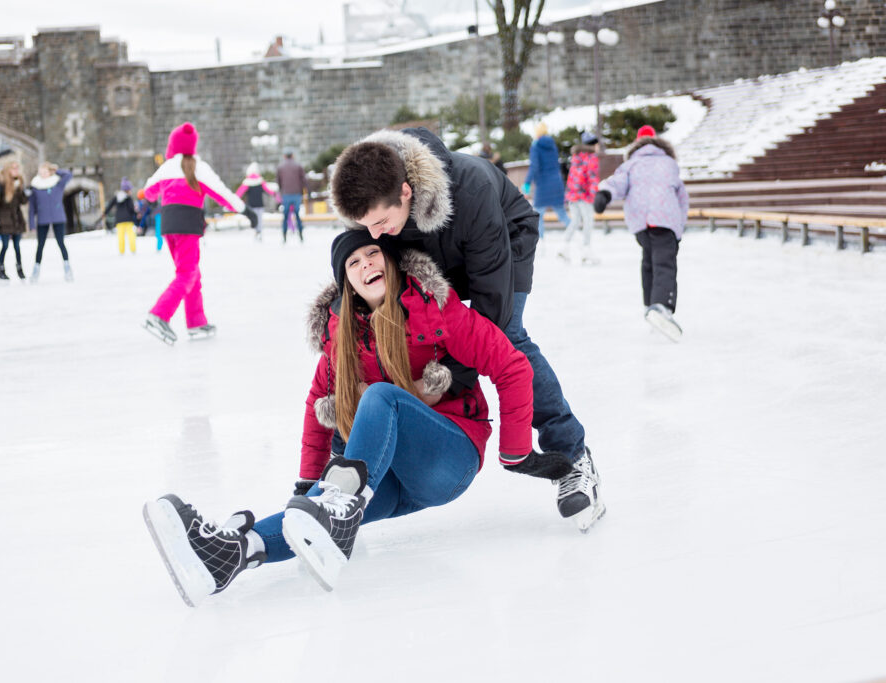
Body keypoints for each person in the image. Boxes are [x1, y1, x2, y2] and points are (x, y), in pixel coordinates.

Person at [142, 231, 534, 604]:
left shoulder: (434, 309)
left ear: (391, 263)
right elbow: (316, 410)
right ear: (347, 282)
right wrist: (308, 490)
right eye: (354, 262)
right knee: (311, 512)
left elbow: (512, 367)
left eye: (373, 255)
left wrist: (515, 451)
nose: (366, 265)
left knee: (382, 400)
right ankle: (229, 555)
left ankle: (338, 513)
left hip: (450, 458)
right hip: (389, 478)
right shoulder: (341, 339)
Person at [329, 127, 605, 532]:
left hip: (502, 241)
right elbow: (362, 265)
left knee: (507, 337)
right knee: (386, 324)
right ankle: (347, 467)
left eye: (380, 223)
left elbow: (490, 313)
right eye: (364, 225)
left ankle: (573, 454)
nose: (373, 235)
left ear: (405, 191)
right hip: (433, 254)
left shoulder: (471, 190)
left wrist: (453, 377)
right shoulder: (375, 197)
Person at [141, 122, 248, 344]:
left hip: (169, 226)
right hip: (188, 225)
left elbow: (149, 192)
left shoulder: (167, 167)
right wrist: (245, 210)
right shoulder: (199, 167)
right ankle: (159, 314)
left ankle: (196, 322)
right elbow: (222, 194)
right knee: (187, 274)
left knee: (191, 273)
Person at [594, 125, 689, 342]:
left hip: (641, 223)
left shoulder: (631, 164)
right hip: (665, 220)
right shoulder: (669, 163)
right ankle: (661, 306)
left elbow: (616, 182)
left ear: (637, 144)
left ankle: (650, 304)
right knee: (665, 263)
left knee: (649, 261)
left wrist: (604, 194)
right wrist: (679, 227)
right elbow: (682, 197)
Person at [558, 131, 601, 265]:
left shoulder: (576, 157)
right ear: (593, 145)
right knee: (588, 221)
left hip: (572, 194)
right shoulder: (591, 157)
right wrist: (594, 195)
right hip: (584, 195)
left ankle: (564, 247)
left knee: (575, 220)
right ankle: (586, 250)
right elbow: (592, 178)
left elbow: (571, 177)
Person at [523, 122, 569, 240]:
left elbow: (534, 166)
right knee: (562, 214)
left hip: (543, 184)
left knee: (537, 216)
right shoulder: (552, 145)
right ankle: (575, 233)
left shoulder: (536, 146)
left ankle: (540, 243)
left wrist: (527, 183)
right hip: (556, 182)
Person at [27, 161, 74, 281]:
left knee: (61, 243)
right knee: (40, 245)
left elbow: (68, 175)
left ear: (49, 172)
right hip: (43, 219)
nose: (43, 174)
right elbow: (32, 208)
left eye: (45, 172)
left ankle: (67, 268)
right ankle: (36, 270)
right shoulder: (36, 187)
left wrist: (55, 170)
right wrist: (31, 223)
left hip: (58, 218)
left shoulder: (57, 183)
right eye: (41, 172)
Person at [0, 155, 27, 281]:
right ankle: (1, 269)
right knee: (5, 245)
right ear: (8, 169)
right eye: (13, 168)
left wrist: (21, 189)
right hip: (4, 219)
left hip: (16, 218)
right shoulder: (0, 184)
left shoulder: (18, 182)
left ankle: (20, 269)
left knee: (17, 246)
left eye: (17, 168)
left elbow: (23, 201)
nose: (16, 171)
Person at [235, 162, 280, 241]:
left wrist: (234, 199)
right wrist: (276, 196)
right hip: (260, 204)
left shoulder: (247, 182)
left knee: (254, 218)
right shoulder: (260, 181)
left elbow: (239, 193)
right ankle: (259, 231)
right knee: (259, 219)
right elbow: (269, 190)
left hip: (251, 205)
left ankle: (256, 231)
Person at [275, 148, 308, 243]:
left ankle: (284, 236)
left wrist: (282, 190)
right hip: (297, 194)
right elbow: (303, 180)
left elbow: (278, 181)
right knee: (297, 215)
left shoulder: (280, 167)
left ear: (284, 156)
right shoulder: (298, 166)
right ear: (292, 155)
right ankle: (301, 234)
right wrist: (303, 190)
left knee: (285, 216)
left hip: (286, 194)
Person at [103, 177, 139, 256]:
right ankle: (133, 250)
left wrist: (105, 213)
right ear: (127, 190)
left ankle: (121, 251)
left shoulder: (117, 197)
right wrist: (136, 214)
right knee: (131, 235)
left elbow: (110, 205)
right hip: (128, 219)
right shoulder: (129, 198)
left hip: (119, 220)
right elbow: (131, 209)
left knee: (120, 236)